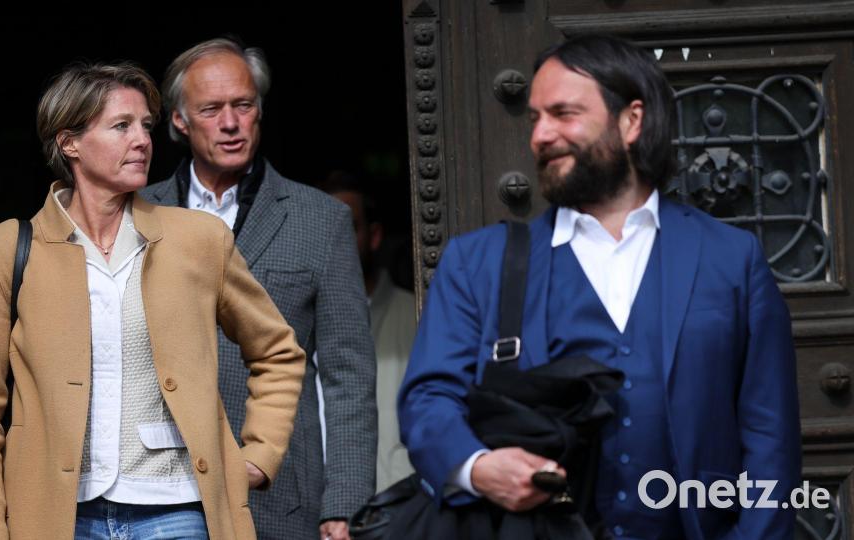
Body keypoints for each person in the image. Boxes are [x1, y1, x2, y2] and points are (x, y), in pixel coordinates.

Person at [398, 34, 800, 539]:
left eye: (563, 114)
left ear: (632, 120)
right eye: (534, 119)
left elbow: (770, 437)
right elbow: (427, 398)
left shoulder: (731, 259)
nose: (540, 136)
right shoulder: (477, 262)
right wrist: (476, 467)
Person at [0, 62, 306, 540]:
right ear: (68, 142)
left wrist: (258, 456)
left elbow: (277, 351)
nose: (142, 140)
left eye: (145, 126)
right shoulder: (2, 252)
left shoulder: (198, 240)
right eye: (121, 126)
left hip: (179, 511)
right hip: (57, 520)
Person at [140, 38, 376, 540]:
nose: (230, 123)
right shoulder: (136, 214)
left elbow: (347, 373)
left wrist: (346, 502)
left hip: (280, 492)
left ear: (260, 111)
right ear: (179, 121)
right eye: (211, 109)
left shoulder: (322, 221)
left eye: (243, 106)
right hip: (157, 491)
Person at [320, 171, 417, 493]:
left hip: (396, 512)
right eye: (323, 226)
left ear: (374, 237)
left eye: (346, 226)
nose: (332, 237)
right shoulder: (287, 322)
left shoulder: (417, 317)